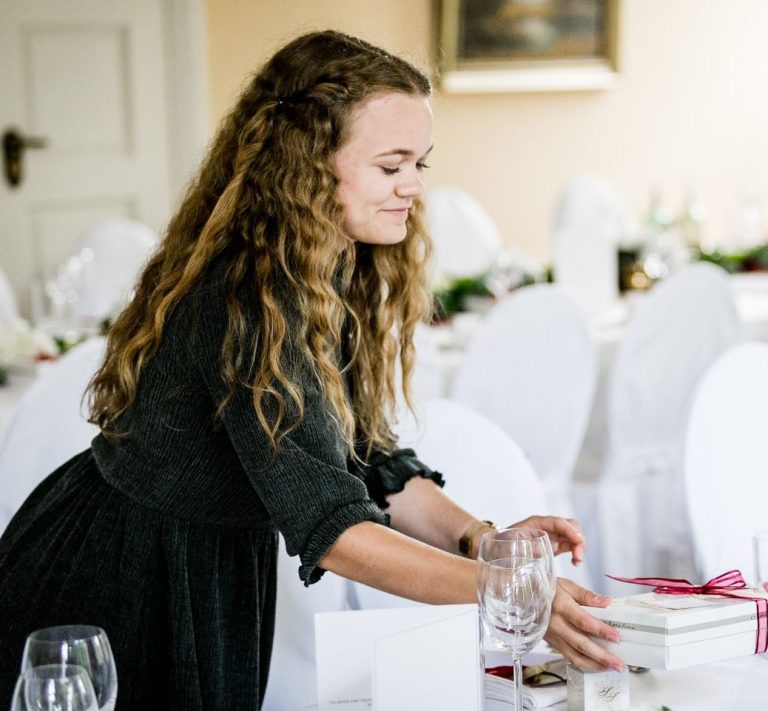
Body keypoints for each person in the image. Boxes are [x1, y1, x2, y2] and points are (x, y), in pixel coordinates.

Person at [0, 30, 623, 709]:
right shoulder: (247, 297)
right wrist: (506, 589)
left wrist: (486, 541)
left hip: (200, 567)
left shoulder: (325, 268)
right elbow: (337, 532)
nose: (413, 186)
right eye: (391, 166)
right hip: (120, 572)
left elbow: (361, 458)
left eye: (420, 163)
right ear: (309, 164)